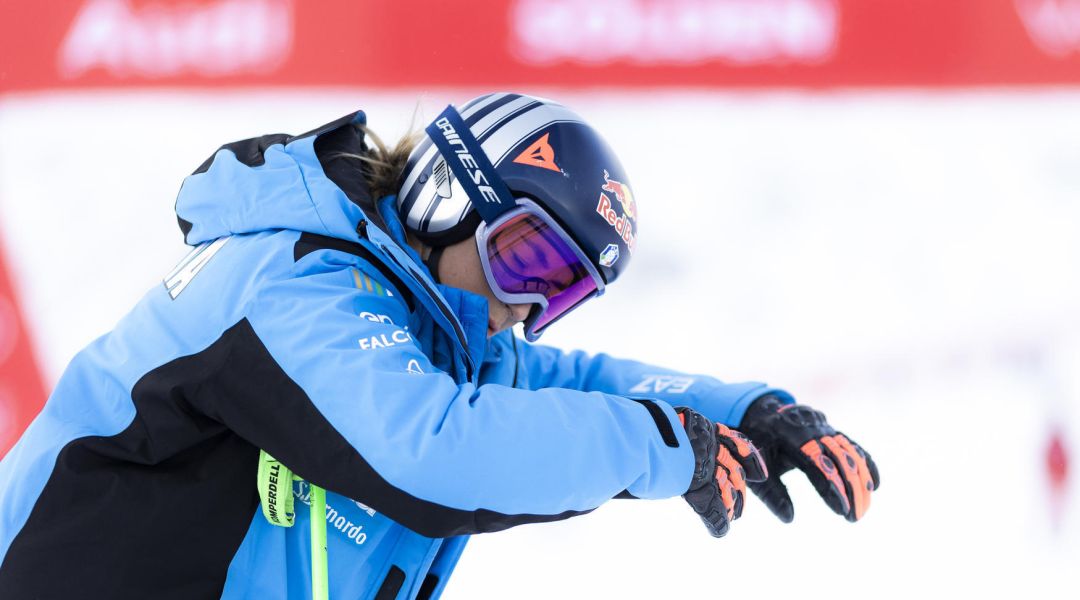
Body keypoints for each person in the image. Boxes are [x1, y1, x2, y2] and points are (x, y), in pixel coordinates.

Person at [0, 93, 879, 599]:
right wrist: (657, 448)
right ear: (444, 195)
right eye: (524, 255)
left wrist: (743, 414)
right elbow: (432, 450)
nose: (523, 304)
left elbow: (557, 384)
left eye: (562, 288)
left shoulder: (431, 322)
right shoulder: (297, 282)